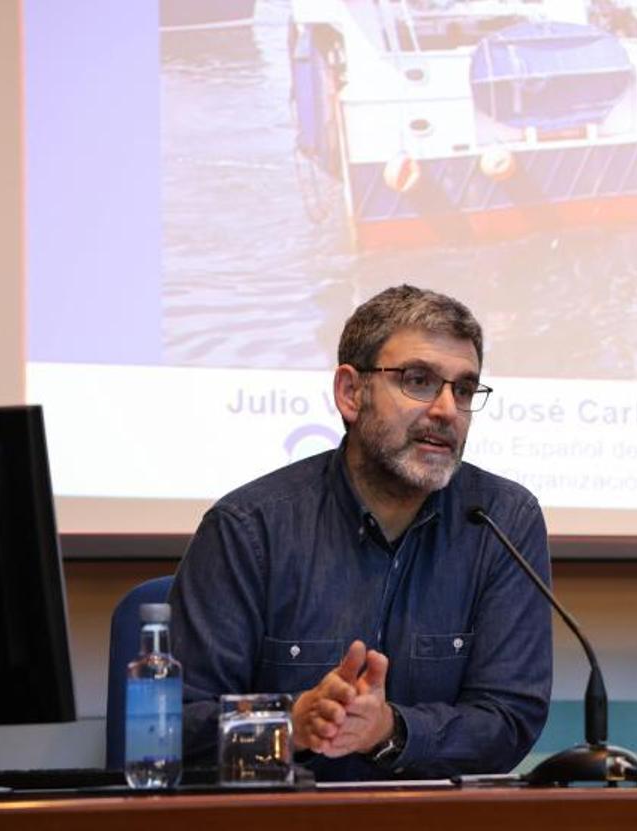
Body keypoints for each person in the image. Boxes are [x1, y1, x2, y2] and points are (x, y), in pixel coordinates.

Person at [169, 285, 553, 780]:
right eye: (418, 381)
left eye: (462, 389)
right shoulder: (251, 528)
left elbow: (508, 719)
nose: (446, 410)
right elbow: (173, 726)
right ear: (351, 393)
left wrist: (389, 729)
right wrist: (290, 725)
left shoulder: (501, 519)